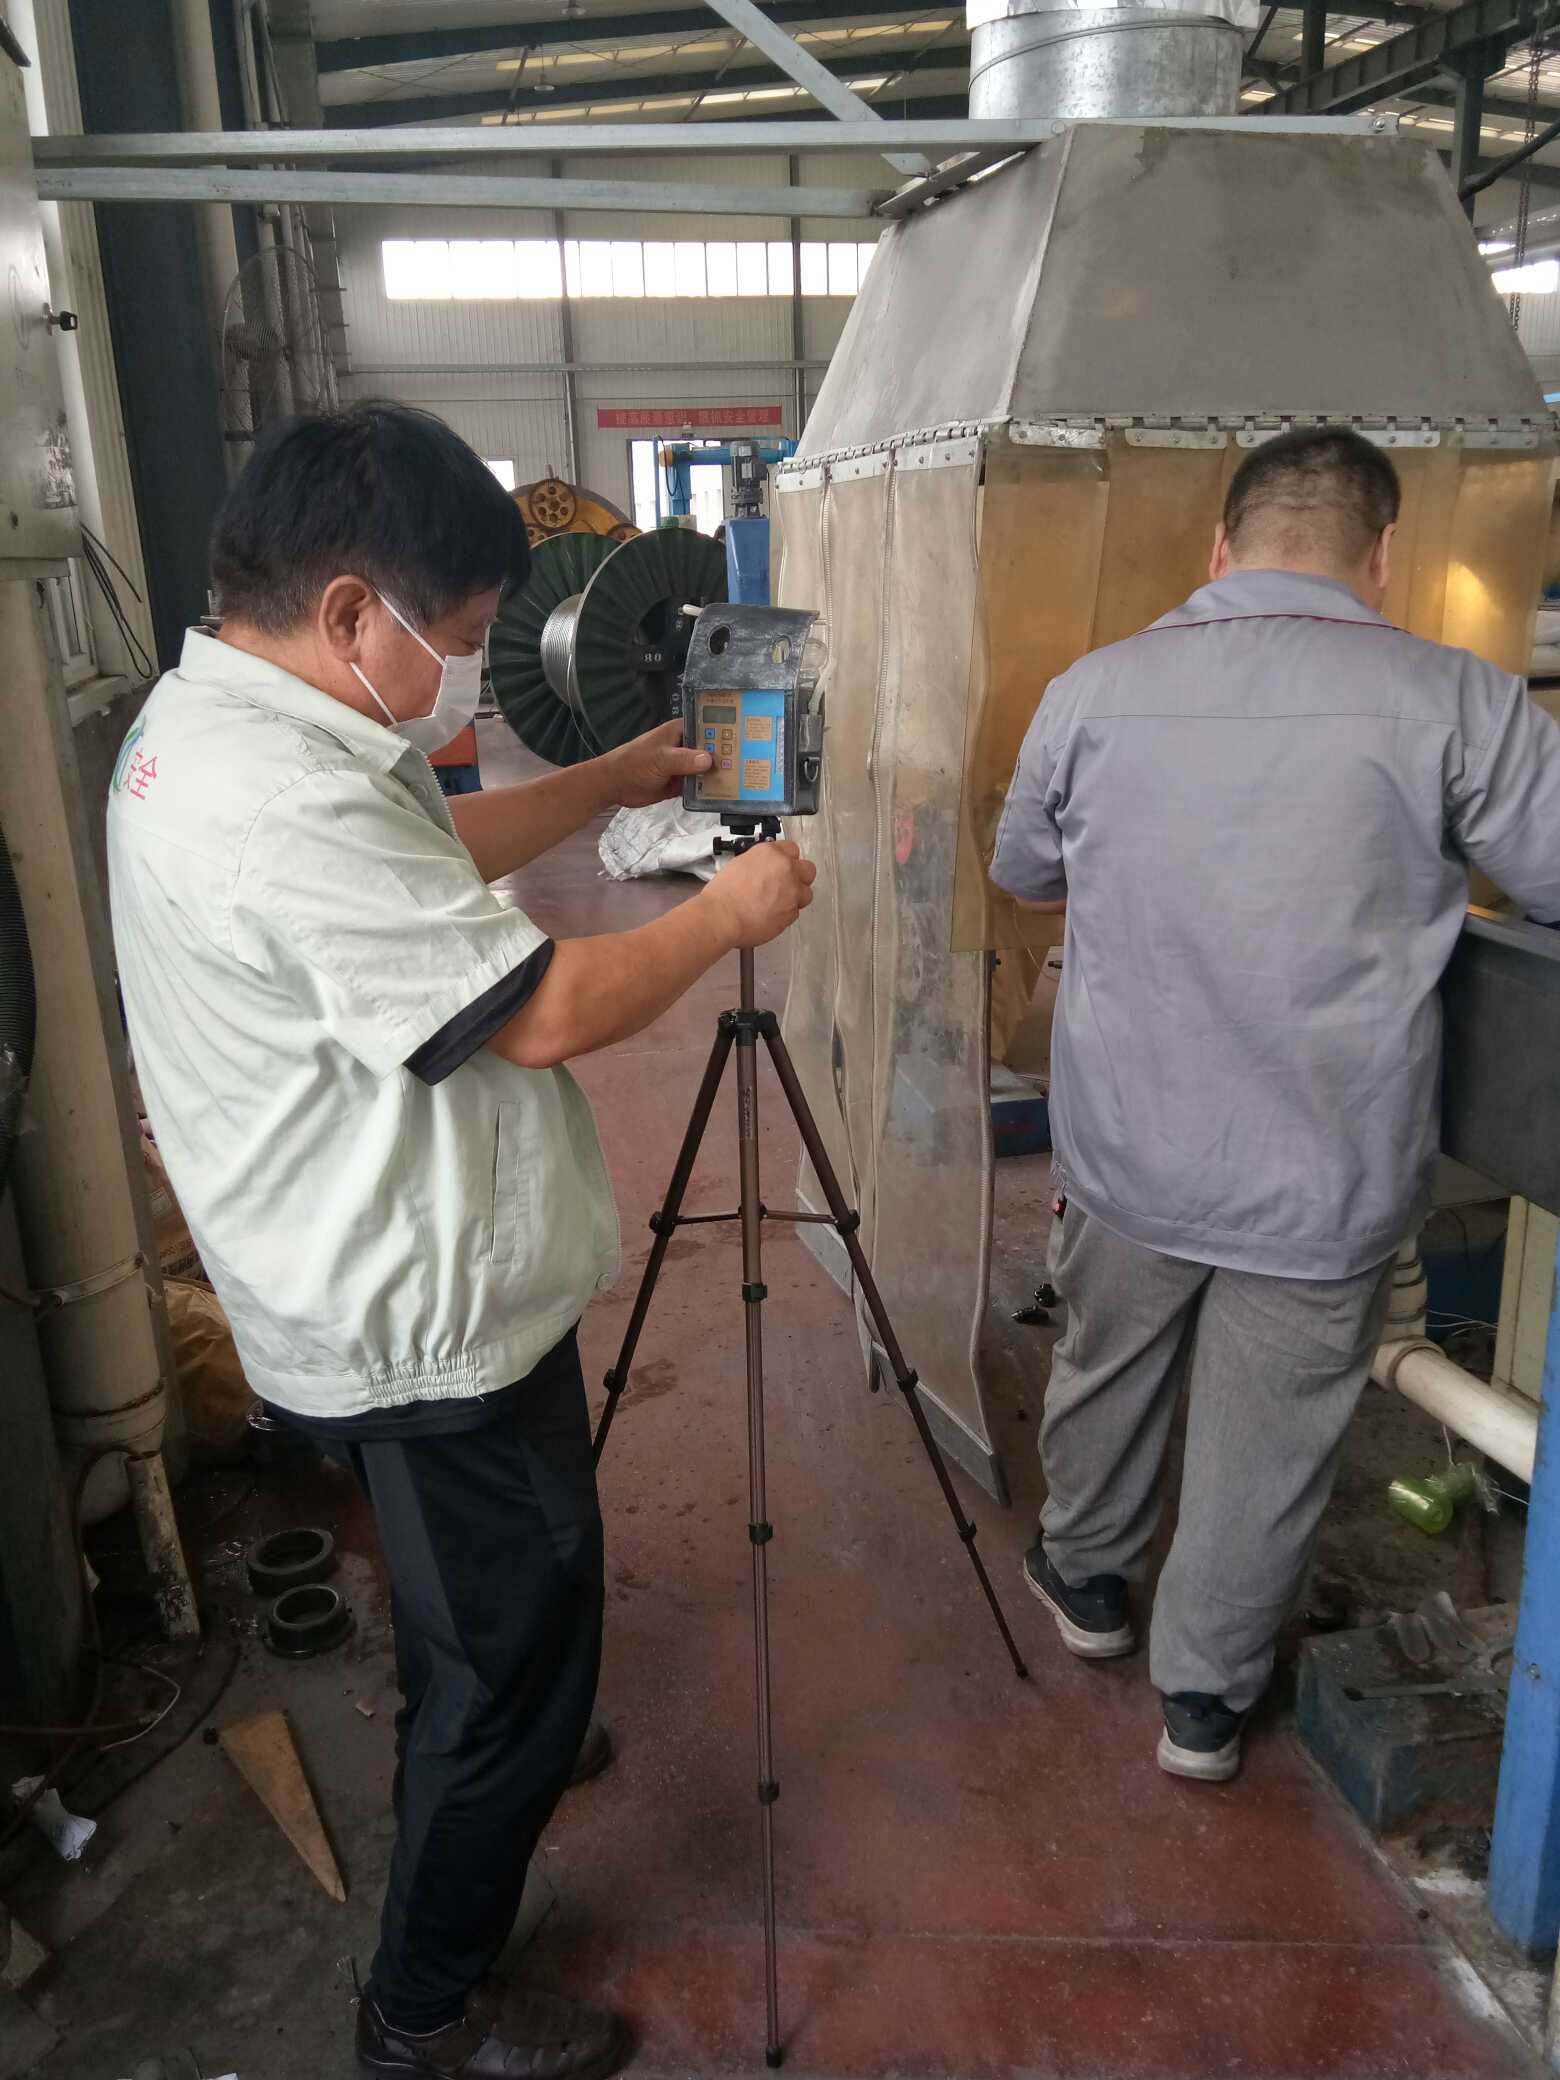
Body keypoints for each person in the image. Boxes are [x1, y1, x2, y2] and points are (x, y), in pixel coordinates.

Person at [107, 402, 815, 2077]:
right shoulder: (278, 800)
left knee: (479, 1610)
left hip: (372, 1271)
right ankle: (426, 2010)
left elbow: (431, 854)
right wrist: (727, 913)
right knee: (520, 1640)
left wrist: (614, 778)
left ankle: (493, 1724)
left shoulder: (239, 720)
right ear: (353, 611)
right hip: (412, 1316)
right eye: (468, 635)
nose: (466, 672)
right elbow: (547, 1011)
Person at [990, 426, 1560, 1784]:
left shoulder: (1093, 690)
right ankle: (1203, 1701)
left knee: (1107, 1364)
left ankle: (1087, 1580)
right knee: (1271, 1439)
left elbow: (1025, 869)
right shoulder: (1461, 700)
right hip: (1327, 1164)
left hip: (1130, 1145)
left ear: (1221, 545)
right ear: (1383, 554)